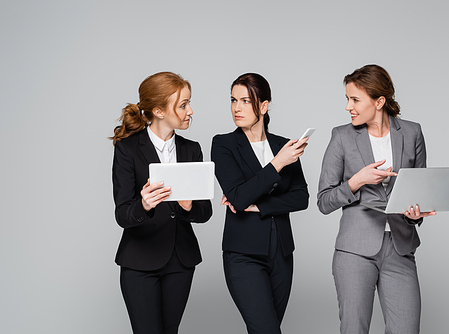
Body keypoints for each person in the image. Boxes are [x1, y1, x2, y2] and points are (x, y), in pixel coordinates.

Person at [317, 64, 436, 334]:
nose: (349, 107)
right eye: (347, 99)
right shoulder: (341, 136)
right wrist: (357, 181)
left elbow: (418, 190)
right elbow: (324, 201)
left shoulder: (412, 132)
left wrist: (415, 214)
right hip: (354, 250)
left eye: (355, 99)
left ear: (379, 101)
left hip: (400, 247)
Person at [110, 72, 212, 334]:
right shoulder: (128, 149)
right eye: (183, 105)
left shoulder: (192, 149)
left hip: (181, 261)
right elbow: (122, 214)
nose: (190, 111)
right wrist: (143, 205)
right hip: (139, 262)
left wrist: (188, 207)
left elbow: (205, 212)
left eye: (189, 103)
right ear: (158, 110)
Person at [211, 73, 309, 334]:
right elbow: (239, 197)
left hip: (282, 254)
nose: (237, 107)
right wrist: (278, 163)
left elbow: (302, 197)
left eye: (245, 100)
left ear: (263, 107)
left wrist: (261, 206)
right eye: (233, 100)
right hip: (243, 255)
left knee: (269, 328)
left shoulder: (283, 145)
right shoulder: (223, 144)